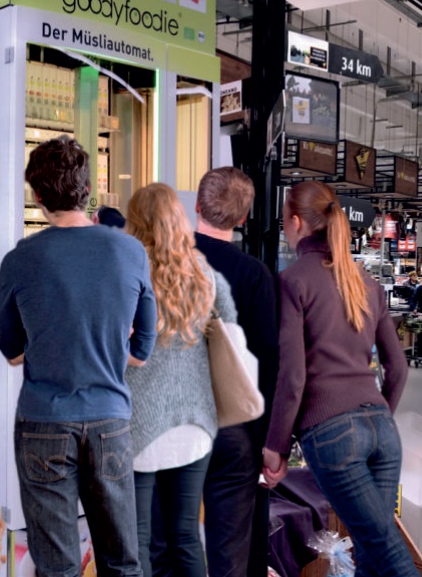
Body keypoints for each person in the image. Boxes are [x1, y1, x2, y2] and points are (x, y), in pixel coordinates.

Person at [0, 135, 157, 577]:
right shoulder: (130, 251)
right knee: (122, 562)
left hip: (43, 422)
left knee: (57, 566)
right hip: (110, 421)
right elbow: (142, 350)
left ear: (38, 195)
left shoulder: (20, 259)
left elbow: (10, 351)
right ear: (88, 190)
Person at [262, 181, 415, 577]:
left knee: (389, 554)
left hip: (332, 433)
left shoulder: (293, 281)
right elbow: (397, 368)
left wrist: (276, 445)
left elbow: (293, 377)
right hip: (383, 430)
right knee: (370, 552)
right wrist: (378, 416)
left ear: (295, 223)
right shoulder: (366, 282)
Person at [124, 183, 237, 577]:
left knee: (136, 540)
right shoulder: (203, 272)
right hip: (195, 424)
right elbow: (230, 333)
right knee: (185, 535)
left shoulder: (127, 271)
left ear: (136, 222)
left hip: (139, 426)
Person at [193, 167, 279, 577]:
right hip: (233, 431)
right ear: (243, 219)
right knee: (229, 555)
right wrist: (267, 443)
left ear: (196, 206)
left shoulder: (161, 263)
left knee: (166, 543)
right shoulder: (254, 275)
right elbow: (267, 362)